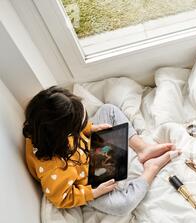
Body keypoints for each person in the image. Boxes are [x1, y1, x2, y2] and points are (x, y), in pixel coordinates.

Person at [23, 86, 180, 216]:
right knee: (122, 206)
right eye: (78, 125)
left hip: (86, 150)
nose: (82, 126)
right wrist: (94, 193)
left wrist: (91, 129)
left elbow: (77, 127)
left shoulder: (44, 125)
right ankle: (151, 169)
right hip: (89, 183)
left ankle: (143, 149)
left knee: (109, 110)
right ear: (63, 134)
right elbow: (62, 198)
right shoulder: (53, 169)